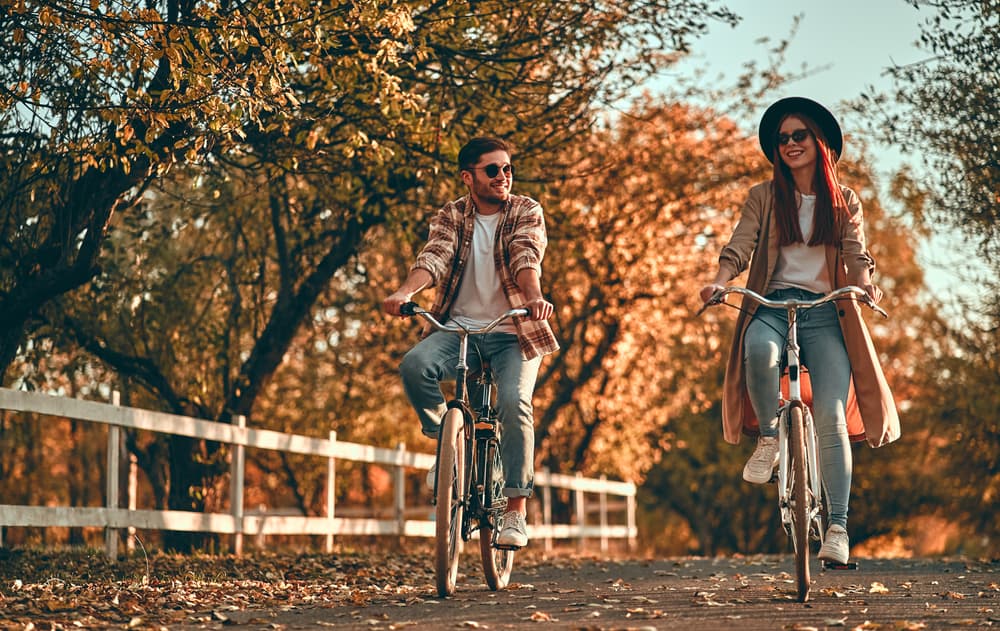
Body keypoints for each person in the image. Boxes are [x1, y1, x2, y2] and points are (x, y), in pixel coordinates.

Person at [698, 97, 900, 564]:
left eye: (798, 135)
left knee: (830, 415)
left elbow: (856, 254)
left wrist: (866, 286)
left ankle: (837, 528)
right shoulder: (763, 197)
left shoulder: (844, 200)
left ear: (819, 142)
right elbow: (740, 244)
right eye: (782, 138)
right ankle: (770, 438)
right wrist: (721, 280)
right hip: (773, 302)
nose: (789, 144)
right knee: (759, 353)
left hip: (828, 312)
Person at [383, 136, 558, 548]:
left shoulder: (525, 210)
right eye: (492, 170)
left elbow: (525, 254)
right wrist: (405, 293)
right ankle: (448, 452)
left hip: (513, 332)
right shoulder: (452, 215)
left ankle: (515, 512)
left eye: (508, 169)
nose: (503, 177)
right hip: (456, 331)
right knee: (414, 366)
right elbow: (434, 257)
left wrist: (533, 298)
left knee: (514, 402)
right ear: (468, 177)